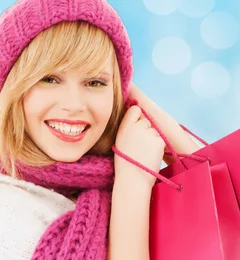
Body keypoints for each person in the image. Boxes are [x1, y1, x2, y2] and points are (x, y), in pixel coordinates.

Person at [0, 0, 201, 259]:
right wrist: (133, 184)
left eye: (95, 82)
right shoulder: (11, 210)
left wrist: (132, 98)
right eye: (49, 79)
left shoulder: (109, 181)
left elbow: (231, 198)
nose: (74, 105)